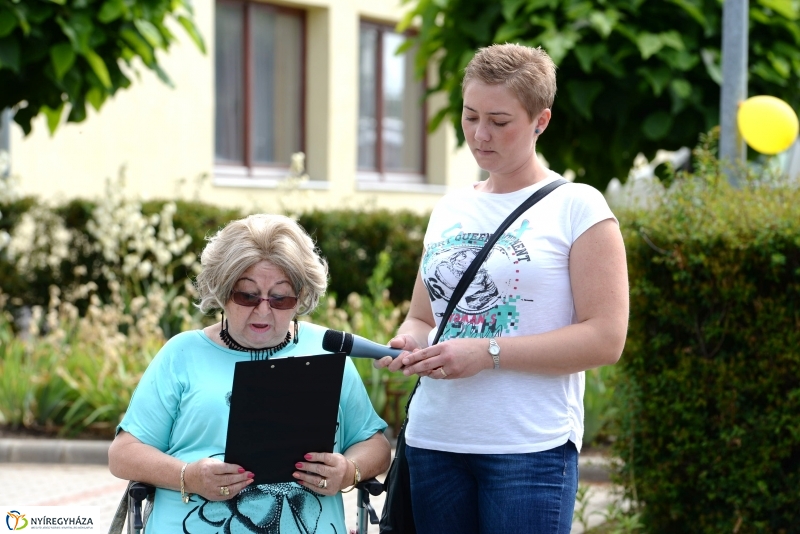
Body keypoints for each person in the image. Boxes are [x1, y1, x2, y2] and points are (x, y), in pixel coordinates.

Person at [376, 43, 629, 534]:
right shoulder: (449, 209)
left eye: (499, 120)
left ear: (541, 120)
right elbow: (424, 318)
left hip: (528, 450)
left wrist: (488, 352)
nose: (479, 134)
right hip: (434, 441)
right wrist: (407, 342)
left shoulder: (578, 207)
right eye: (470, 116)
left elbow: (606, 338)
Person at [109, 213, 391, 534]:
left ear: (300, 297)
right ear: (222, 290)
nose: (263, 310)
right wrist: (189, 476)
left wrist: (348, 471)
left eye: (281, 297)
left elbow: (375, 445)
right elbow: (123, 454)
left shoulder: (325, 350)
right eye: (247, 295)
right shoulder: (182, 353)